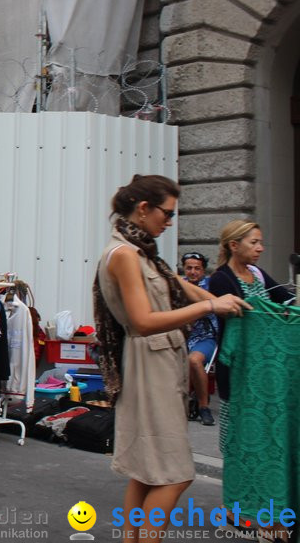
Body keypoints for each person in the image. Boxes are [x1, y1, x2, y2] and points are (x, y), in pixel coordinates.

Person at [92, 174, 248, 539]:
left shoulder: (140, 253)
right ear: (143, 209)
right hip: (151, 364)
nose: (170, 220)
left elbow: (177, 284)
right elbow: (143, 321)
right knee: (177, 474)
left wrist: (215, 297)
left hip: (155, 363)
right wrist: (210, 305)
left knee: (146, 473)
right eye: (167, 212)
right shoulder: (126, 255)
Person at [207, 220, 295, 536]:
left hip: (267, 373)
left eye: (260, 242)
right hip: (238, 369)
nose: (260, 248)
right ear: (234, 245)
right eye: (254, 242)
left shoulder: (258, 275)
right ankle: (237, 506)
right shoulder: (220, 279)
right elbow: (245, 316)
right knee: (236, 441)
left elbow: (285, 300)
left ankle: (263, 505)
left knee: (265, 439)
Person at [179, 252, 218, 426]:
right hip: (181, 336)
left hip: (205, 336)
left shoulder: (211, 285)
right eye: (189, 268)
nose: (193, 272)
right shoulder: (178, 285)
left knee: (194, 361)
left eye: (197, 268)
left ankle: (204, 406)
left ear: (203, 270)